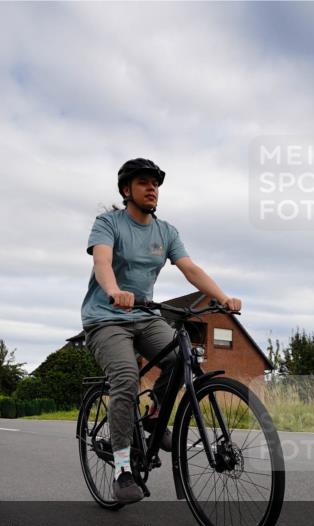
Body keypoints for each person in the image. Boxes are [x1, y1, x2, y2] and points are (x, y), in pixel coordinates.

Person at [81, 158, 241, 504]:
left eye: (155, 183)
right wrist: (113, 291)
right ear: (127, 190)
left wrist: (223, 297)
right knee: (125, 378)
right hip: (106, 317)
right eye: (143, 182)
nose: (151, 188)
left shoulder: (166, 231)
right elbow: (102, 263)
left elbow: (191, 269)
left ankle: (154, 413)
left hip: (145, 315)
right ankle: (122, 469)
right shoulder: (108, 223)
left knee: (180, 358)